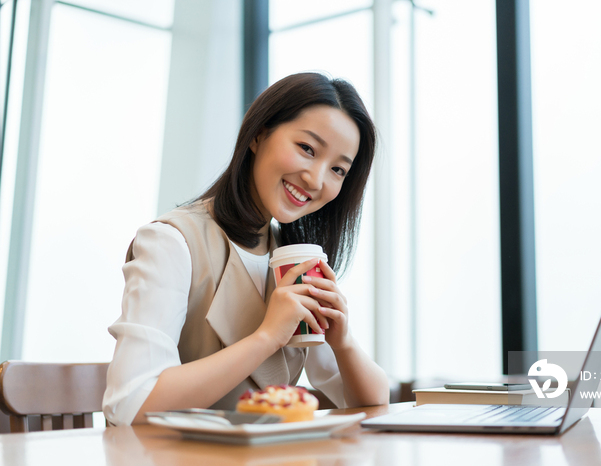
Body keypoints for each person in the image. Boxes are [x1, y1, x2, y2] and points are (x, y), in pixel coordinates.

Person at [103, 72, 390, 425]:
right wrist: (267, 337)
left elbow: (373, 401)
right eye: (307, 149)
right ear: (259, 133)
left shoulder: (292, 258)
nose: (316, 179)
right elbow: (131, 404)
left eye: (337, 169)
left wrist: (343, 343)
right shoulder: (171, 242)